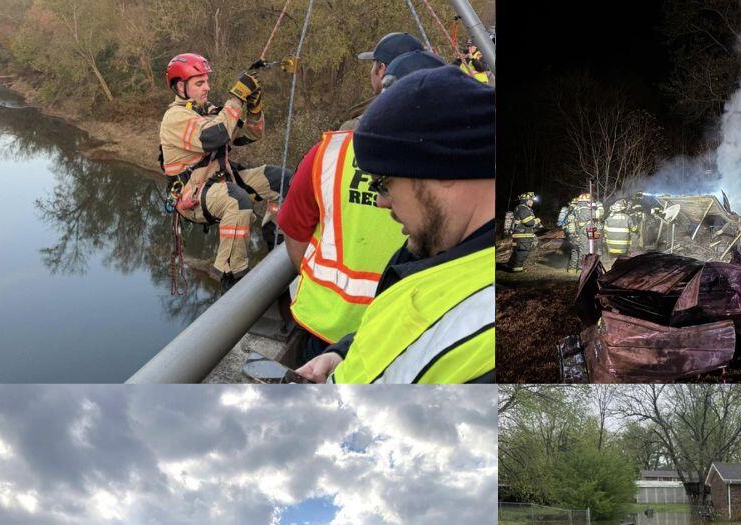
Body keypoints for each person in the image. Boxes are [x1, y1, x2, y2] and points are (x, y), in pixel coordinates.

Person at [295, 66, 495, 383]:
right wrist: (343, 354)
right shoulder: (435, 246)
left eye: (384, 184)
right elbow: (395, 336)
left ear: (442, 170)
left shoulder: (488, 338)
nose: (380, 202)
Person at [277, 50, 445, 365]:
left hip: (329, 328)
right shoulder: (453, 169)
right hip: (405, 333)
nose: (384, 200)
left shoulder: (329, 153)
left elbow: (295, 233)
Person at [159, 53, 292, 291]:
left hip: (221, 179)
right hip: (194, 194)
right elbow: (216, 135)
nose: (207, 88)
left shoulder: (205, 111)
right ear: (181, 86)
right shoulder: (176, 118)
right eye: (199, 83)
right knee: (237, 201)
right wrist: (237, 97)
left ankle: (279, 236)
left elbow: (251, 134)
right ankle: (233, 277)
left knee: (281, 180)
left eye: (207, 82)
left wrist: (254, 106)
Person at [508, 192, 540, 272]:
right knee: (522, 252)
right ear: (525, 200)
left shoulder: (524, 209)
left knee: (517, 252)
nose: (532, 202)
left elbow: (529, 222)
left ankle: (511, 266)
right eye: (530, 200)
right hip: (522, 235)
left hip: (522, 235)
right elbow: (528, 222)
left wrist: (538, 225)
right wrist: (537, 220)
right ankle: (517, 269)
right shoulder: (523, 208)